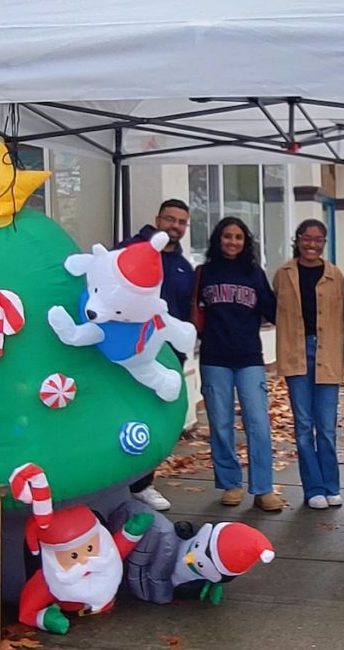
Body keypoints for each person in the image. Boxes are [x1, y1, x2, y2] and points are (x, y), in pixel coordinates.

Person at [194, 217, 283, 511]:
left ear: (246, 242)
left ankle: (263, 488)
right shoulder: (204, 273)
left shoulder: (254, 273)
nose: (233, 242)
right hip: (214, 357)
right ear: (218, 239)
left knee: (258, 424)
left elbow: (272, 310)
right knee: (220, 424)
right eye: (227, 236)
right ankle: (231, 484)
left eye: (239, 237)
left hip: (249, 358)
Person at [118, 198, 194, 512]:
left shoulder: (183, 265)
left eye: (181, 222)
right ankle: (119, 481)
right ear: (157, 219)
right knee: (125, 415)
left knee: (156, 418)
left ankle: (143, 483)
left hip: (167, 356)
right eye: (170, 219)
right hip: (130, 352)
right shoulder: (129, 250)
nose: (175, 226)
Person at [273, 219, 344, 510]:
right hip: (296, 354)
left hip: (327, 355)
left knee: (326, 427)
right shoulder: (283, 274)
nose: (312, 244)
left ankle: (331, 485)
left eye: (319, 240)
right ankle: (312, 488)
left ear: (324, 243)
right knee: (303, 426)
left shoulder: (335, 276)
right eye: (307, 238)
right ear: (298, 239)